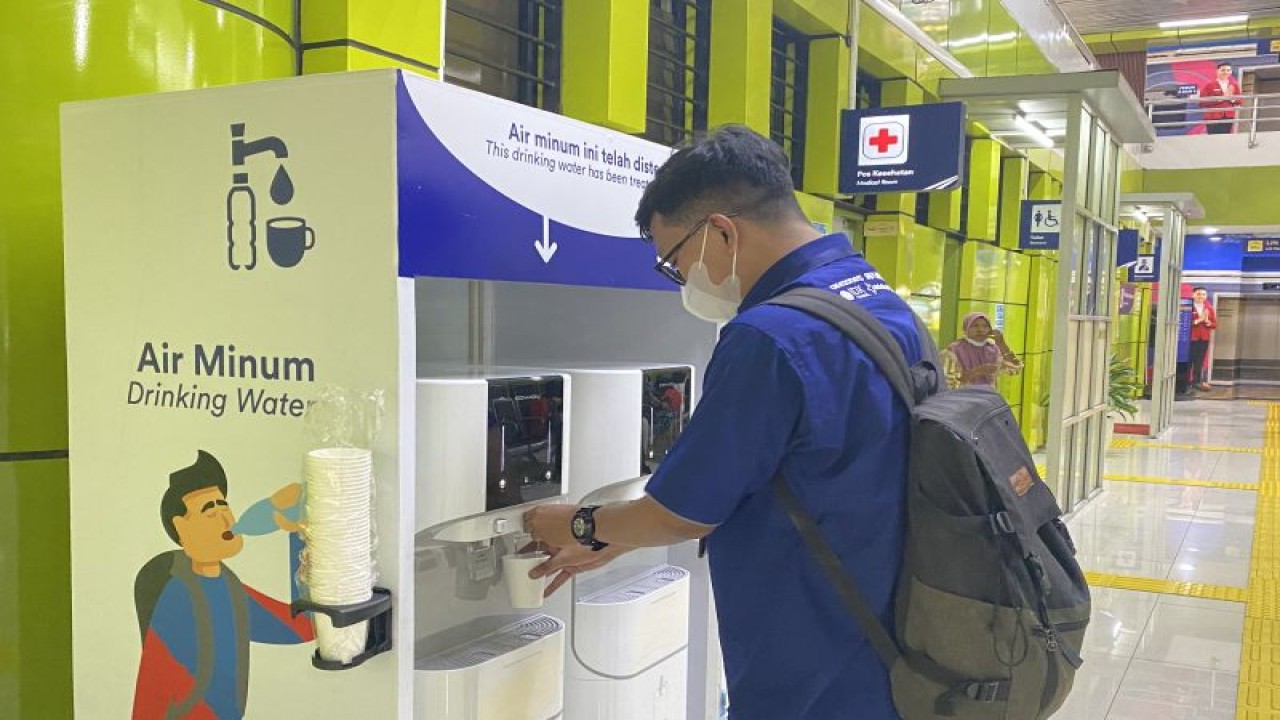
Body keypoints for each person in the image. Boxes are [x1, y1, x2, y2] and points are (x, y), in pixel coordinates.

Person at [524, 125, 922, 719]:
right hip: (894, 633)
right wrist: (620, 533)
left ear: (720, 231)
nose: (682, 277)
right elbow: (800, 470)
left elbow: (682, 512)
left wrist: (576, 524)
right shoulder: (876, 299)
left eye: (674, 259)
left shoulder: (770, 338)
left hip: (814, 657)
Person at [132, 450, 313, 720]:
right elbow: (152, 697)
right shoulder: (176, 597)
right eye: (210, 511)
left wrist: (298, 533)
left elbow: (303, 626)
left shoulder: (230, 589)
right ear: (181, 527)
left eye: (223, 506)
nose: (226, 519)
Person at [941, 311, 1023, 389]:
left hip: (988, 399)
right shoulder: (954, 350)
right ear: (966, 328)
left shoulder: (993, 349)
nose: (980, 329)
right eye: (975, 326)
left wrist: (1002, 344)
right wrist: (976, 371)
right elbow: (947, 384)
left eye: (985, 326)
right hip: (962, 400)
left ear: (990, 330)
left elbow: (1015, 370)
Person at [1201, 62, 1243, 135]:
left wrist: (1231, 99)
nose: (1226, 72)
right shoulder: (1209, 85)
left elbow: (1239, 101)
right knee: (1213, 139)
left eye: (1228, 70)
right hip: (1212, 116)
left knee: (1225, 138)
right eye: (1223, 70)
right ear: (1217, 71)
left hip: (1228, 116)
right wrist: (1219, 99)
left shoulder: (1234, 85)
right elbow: (1201, 102)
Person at [1190, 286, 1217, 390]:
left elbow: (1214, 325)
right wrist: (1198, 320)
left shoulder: (1209, 308)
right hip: (1190, 339)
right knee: (1188, 361)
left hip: (1203, 339)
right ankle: (1186, 382)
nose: (1201, 296)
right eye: (1198, 294)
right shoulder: (1188, 306)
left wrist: (1207, 322)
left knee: (1199, 361)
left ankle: (1196, 382)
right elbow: (1183, 322)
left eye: (1203, 294)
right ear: (1193, 295)